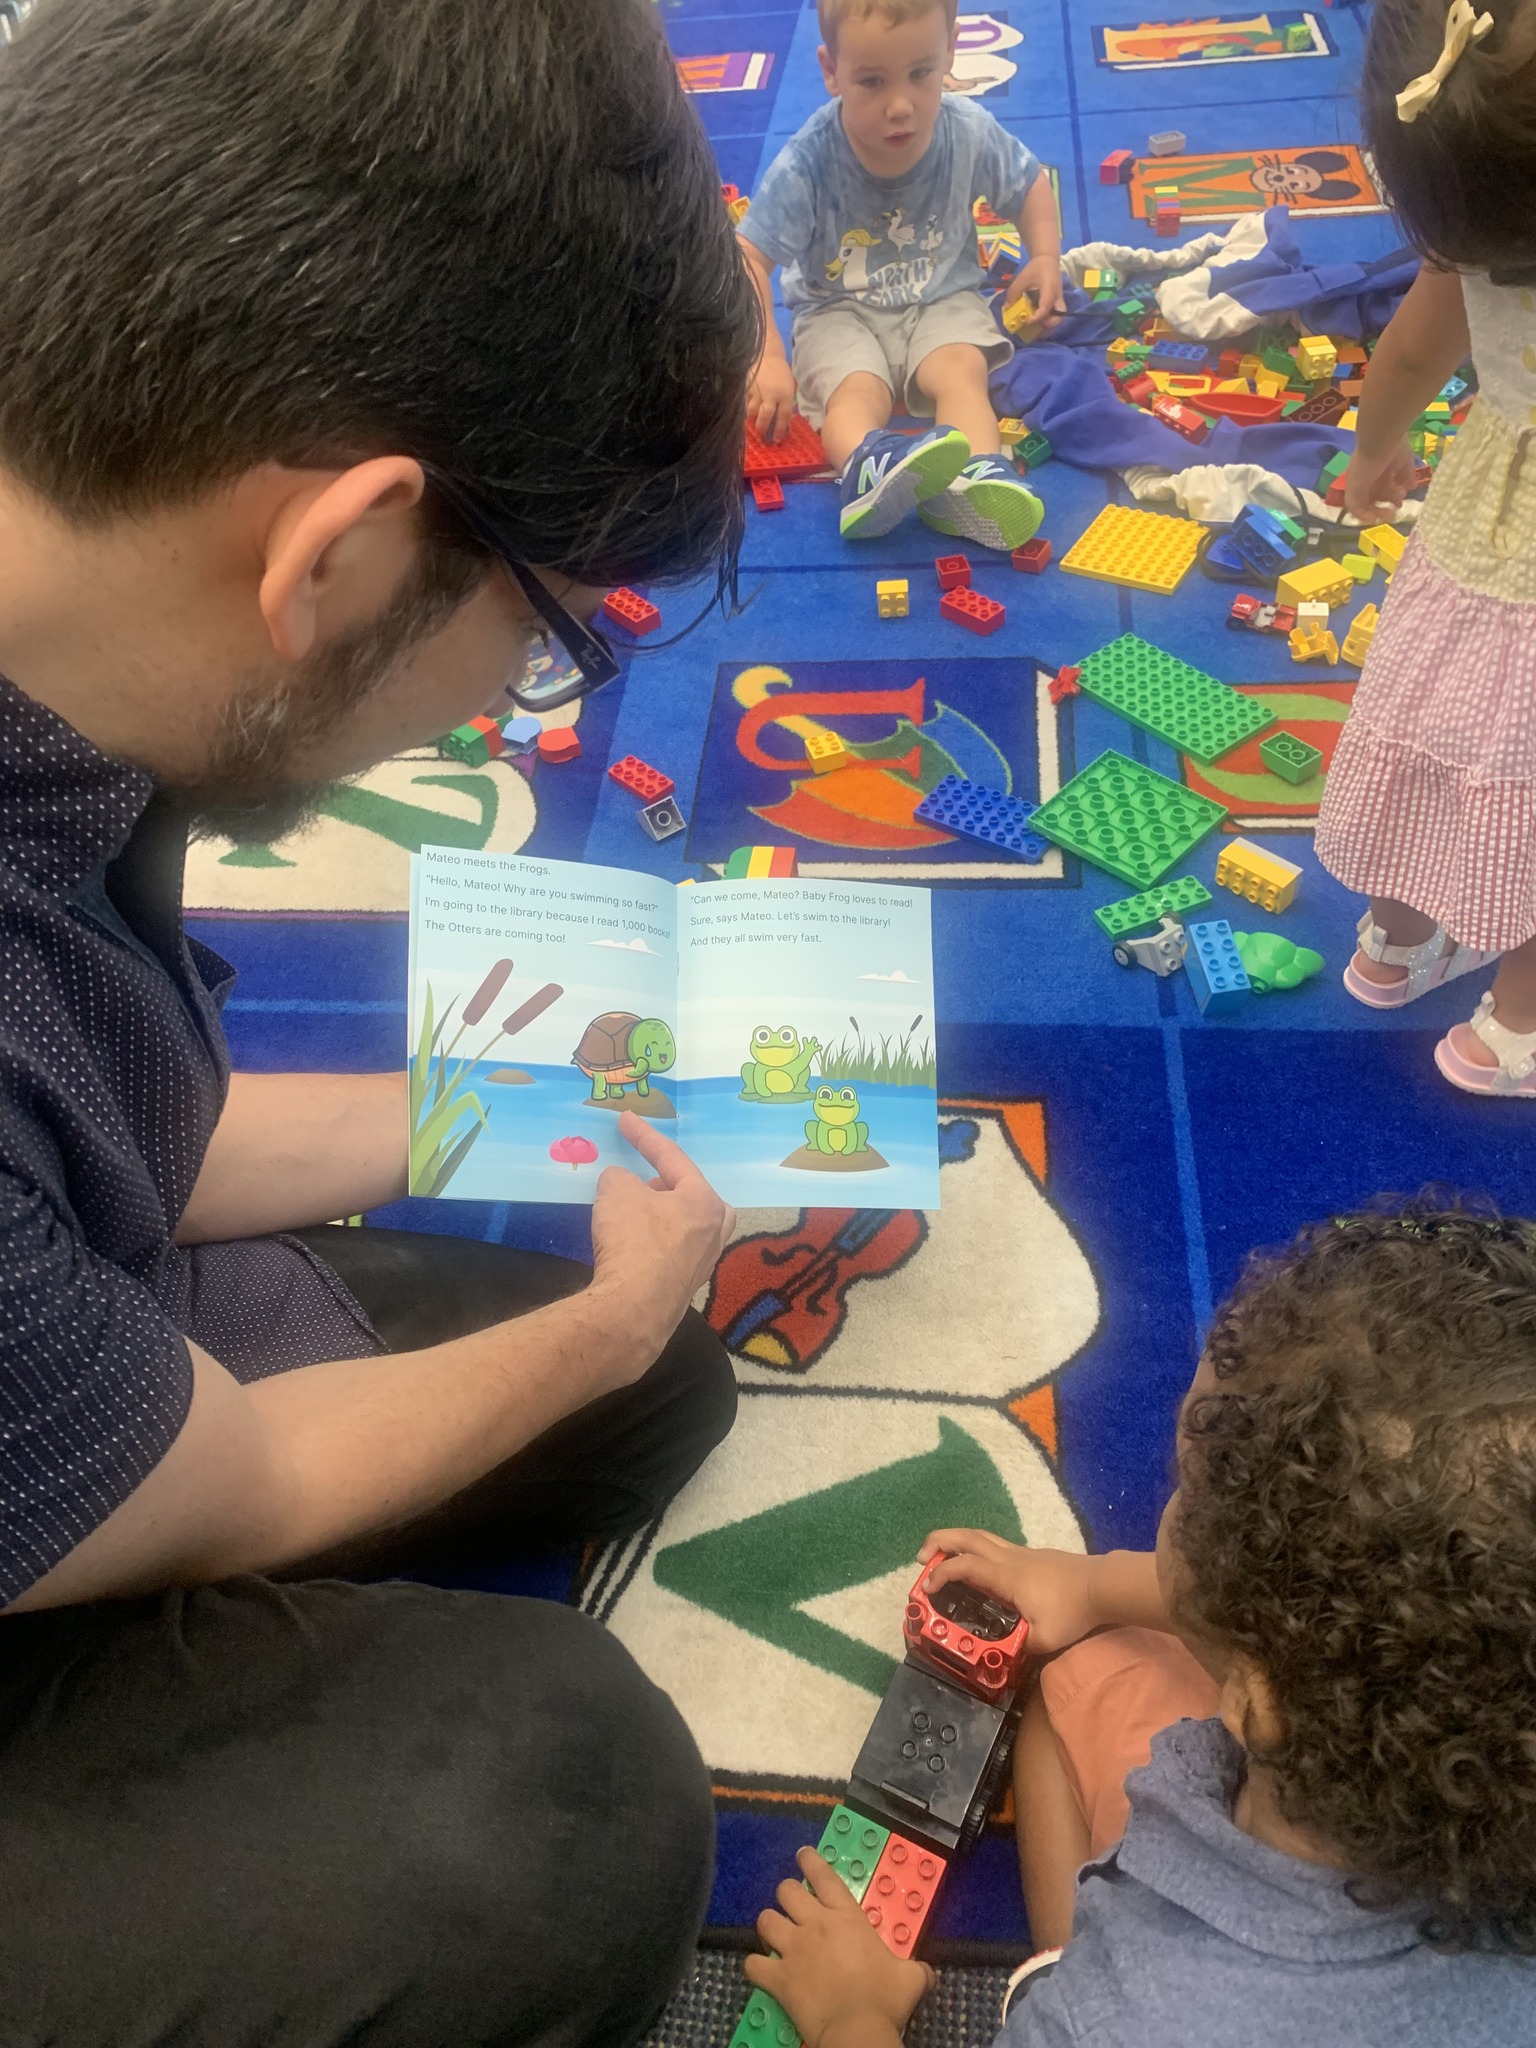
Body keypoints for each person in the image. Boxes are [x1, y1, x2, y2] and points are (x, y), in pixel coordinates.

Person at [0, 0, 761, 2041]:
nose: (527, 705)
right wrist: (595, 1313)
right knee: (557, 1800)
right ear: (339, 554)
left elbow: (111, 1122)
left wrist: (484, 1105)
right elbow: (234, 1478)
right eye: (544, 649)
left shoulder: (70, 651)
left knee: (650, 1389)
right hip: (82, 1446)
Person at [741, 1199, 1536, 2046]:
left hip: (1164, 1995)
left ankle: (1061, 1954)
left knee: (1071, 1684)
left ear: (1258, 1705)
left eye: (1189, 1492)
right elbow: (1384, 1614)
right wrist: (1090, 1587)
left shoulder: (1115, 2022)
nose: (1175, 1502)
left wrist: (849, 2016)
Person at [1314, 0, 1536, 1097]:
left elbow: (1403, 363)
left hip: (1478, 533)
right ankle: (1518, 1028)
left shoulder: (1471, 238)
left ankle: (1396, 943)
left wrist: (1372, 463)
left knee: (1439, 719)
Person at [737, 0, 1060, 552]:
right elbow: (748, 254)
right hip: (837, 309)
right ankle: (867, 466)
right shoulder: (809, 162)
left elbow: (1027, 182)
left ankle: (975, 476)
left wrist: (1045, 256)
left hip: (941, 298)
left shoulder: (967, 130)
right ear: (831, 70)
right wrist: (766, 354)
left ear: (951, 50)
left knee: (960, 369)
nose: (901, 106)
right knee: (855, 390)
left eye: (921, 74)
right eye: (872, 81)